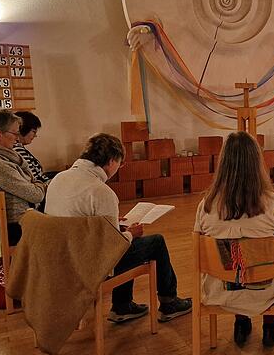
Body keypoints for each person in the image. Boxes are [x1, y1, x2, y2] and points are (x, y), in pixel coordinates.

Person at [45, 133, 191, 323]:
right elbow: (113, 245)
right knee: (155, 242)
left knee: (130, 241)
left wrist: (115, 225)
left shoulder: (58, 179)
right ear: (112, 161)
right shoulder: (100, 191)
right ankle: (169, 302)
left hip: (60, 258)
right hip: (89, 266)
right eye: (120, 164)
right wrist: (130, 232)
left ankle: (123, 306)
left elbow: (80, 220)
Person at [194, 131, 274, 347]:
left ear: (223, 164)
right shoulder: (271, 203)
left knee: (232, 260)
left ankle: (241, 323)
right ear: (257, 163)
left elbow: (200, 241)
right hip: (264, 292)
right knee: (273, 261)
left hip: (220, 291)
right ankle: (270, 325)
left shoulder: (207, 206)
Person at [0, 109, 47, 245]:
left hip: (19, 218)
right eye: (15, 133)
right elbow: (36, 195)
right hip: (18, 225)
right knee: (67, 224)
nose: (17, 137)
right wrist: (40, 184)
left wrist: (36, 184)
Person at [13, 111, 50, 183]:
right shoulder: (17, 150)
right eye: (34, 131)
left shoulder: (18, 148)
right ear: (23, 129)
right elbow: (33, 179)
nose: (35, 135)